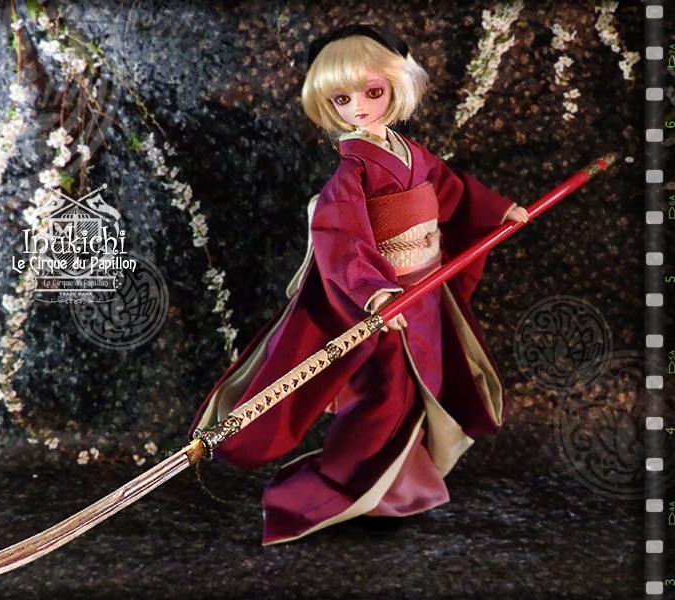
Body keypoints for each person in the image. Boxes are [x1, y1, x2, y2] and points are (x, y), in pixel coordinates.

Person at [190, 24, 529, 545]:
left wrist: (497, 211)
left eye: (372, 92)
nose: (360, 107)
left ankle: (396, 488)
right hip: (388, 299)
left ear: (396, 84)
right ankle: (327, 490)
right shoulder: (352, 174)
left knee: (425, 386)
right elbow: (341, 239)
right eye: (342, 99)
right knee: (385, 396)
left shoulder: (410, 153)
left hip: (425, 292)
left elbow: (451, 189)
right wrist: (373, 291)